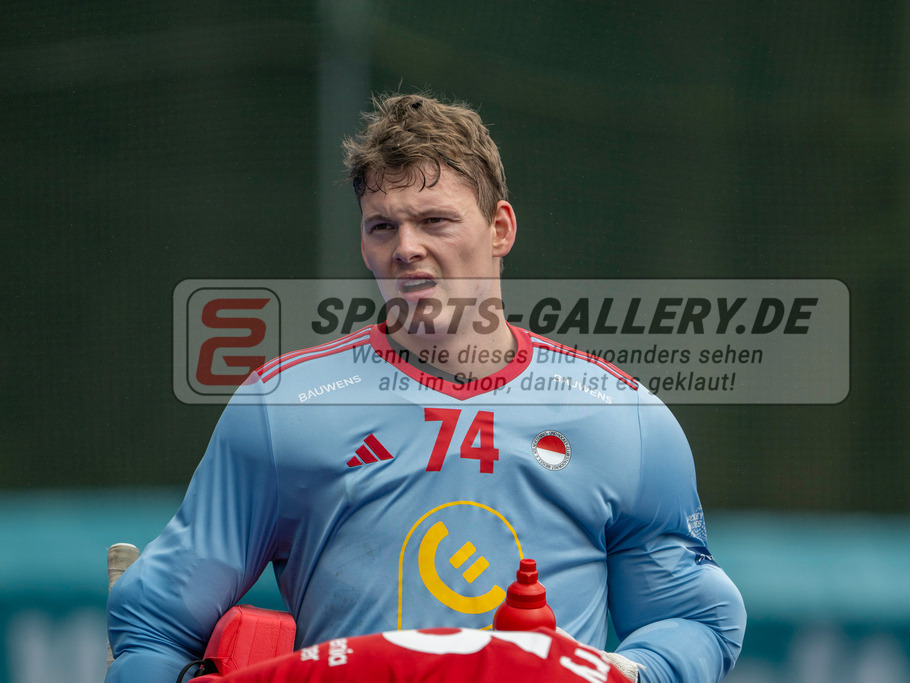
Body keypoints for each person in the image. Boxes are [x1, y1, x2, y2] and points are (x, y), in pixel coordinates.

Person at [106, 93, 746, 682]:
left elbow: (692, 619)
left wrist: (625, 674)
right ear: (363, 244)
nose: (406, 247)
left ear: (500, 229)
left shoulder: (620, 415)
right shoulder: (283, 408)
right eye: (382, 226)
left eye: (435, 220)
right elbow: (155, 630)